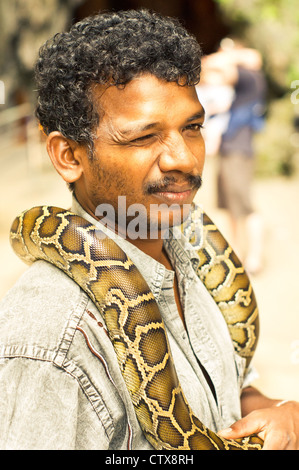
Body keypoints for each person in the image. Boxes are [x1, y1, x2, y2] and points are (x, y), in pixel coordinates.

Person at [0, 9, 298, 450]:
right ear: (68, 155)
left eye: (192, 127)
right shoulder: (53, 341)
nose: (183, 159)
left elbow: (227, 389)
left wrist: (280, 413)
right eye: (142, 137)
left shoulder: (186, 250)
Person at [199, 39, 266, 274]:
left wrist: (221, 57)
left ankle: (255, 258)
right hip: (230, 150)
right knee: (230, 207)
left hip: (239, 149)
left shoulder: (249, 76)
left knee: (245, 207)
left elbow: (251, 57)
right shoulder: (236, 83)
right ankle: (237, 254)